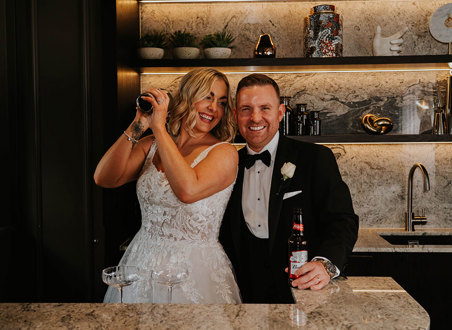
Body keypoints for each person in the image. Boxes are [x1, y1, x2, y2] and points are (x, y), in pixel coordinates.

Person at [94, 68, 241, 303]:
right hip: (141, 261)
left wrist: (160, 127)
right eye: (207, 97)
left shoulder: (224, 153)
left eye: (222, 102)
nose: (214, 109)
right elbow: (105, 178)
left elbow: (187, 190)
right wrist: (139, 124)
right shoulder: (150, 144)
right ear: (186, 98)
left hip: (193, 271)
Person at [220, 73, 359, 304]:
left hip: (301, 292)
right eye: (245, 109)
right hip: (240, 294)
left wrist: (325, 264)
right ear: (235, 116)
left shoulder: (316, 158)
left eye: (265, 108)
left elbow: (342, 220)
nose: (255, 117)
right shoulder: (225, 163)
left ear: (281, 113)